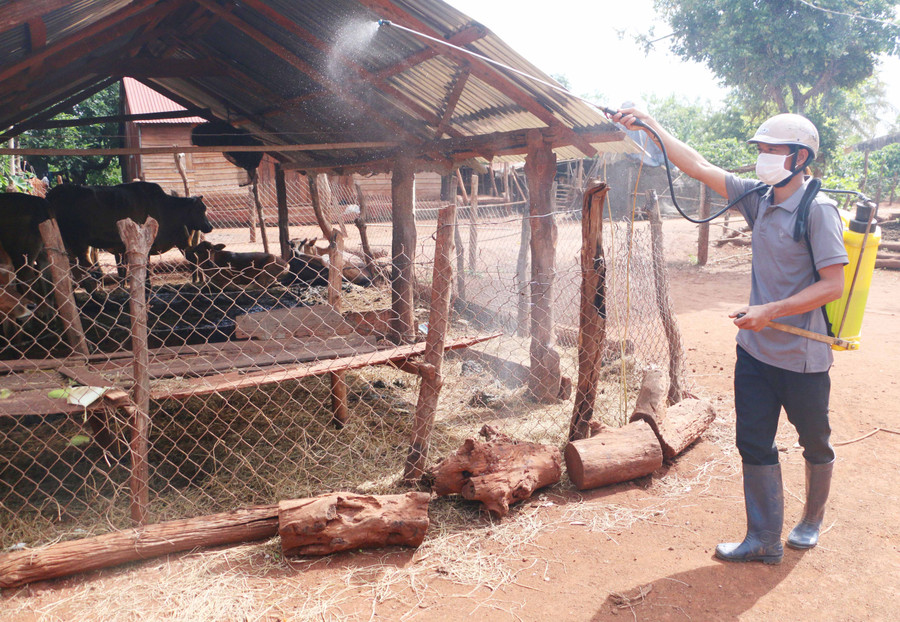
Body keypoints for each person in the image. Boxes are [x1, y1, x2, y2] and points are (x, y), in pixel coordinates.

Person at [613, 109, 848, 565]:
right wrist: (653, 128)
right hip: (756, 353)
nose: (762, 158)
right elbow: (699, 165)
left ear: (800, 157)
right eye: (759, 150)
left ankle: (811, 520)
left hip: (803, 356)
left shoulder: (818, 211)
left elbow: (833, 285)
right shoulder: (758, 198)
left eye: (771, 150)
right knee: (754, 442)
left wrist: (770, 310)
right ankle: (763, 538)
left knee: (814, 440)